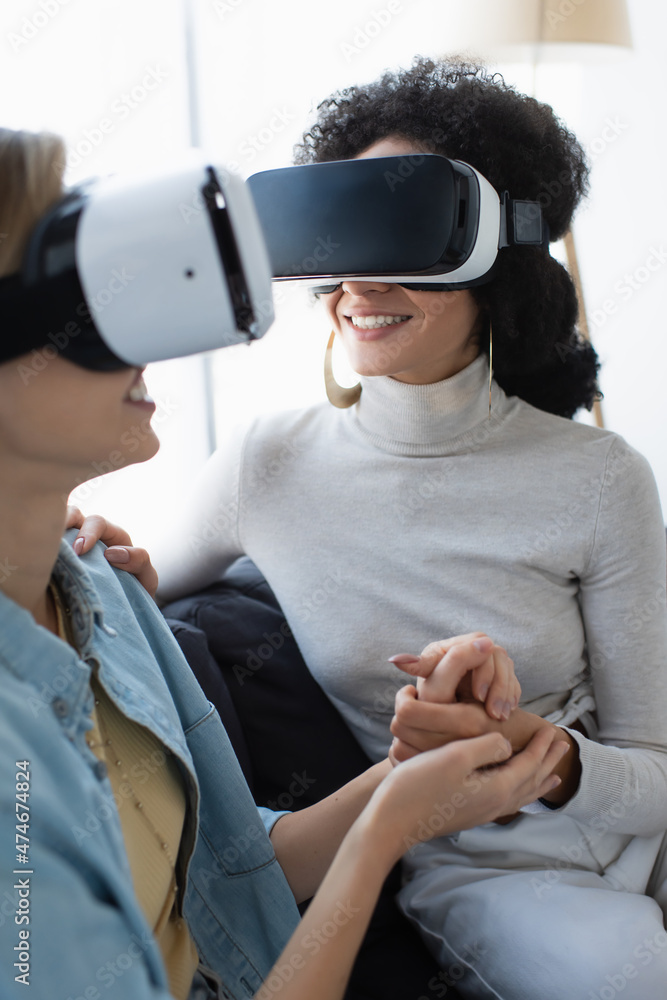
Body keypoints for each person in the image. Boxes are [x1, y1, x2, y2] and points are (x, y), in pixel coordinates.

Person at [88, 59, 664, 999]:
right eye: (338, 235)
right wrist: (113, 564)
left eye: (397, 231)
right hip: (496, 880)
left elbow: (653, 769)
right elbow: (144, 598)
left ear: (495, 259)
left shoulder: (600, 476)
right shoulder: (265, 465)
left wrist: (550, 756)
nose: (356, 279)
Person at [0, 127, 567, 1000]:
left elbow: (232, 872)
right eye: (74, 299)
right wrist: (383, 835)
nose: (138, 336)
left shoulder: (103, 595)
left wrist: (412, 779)